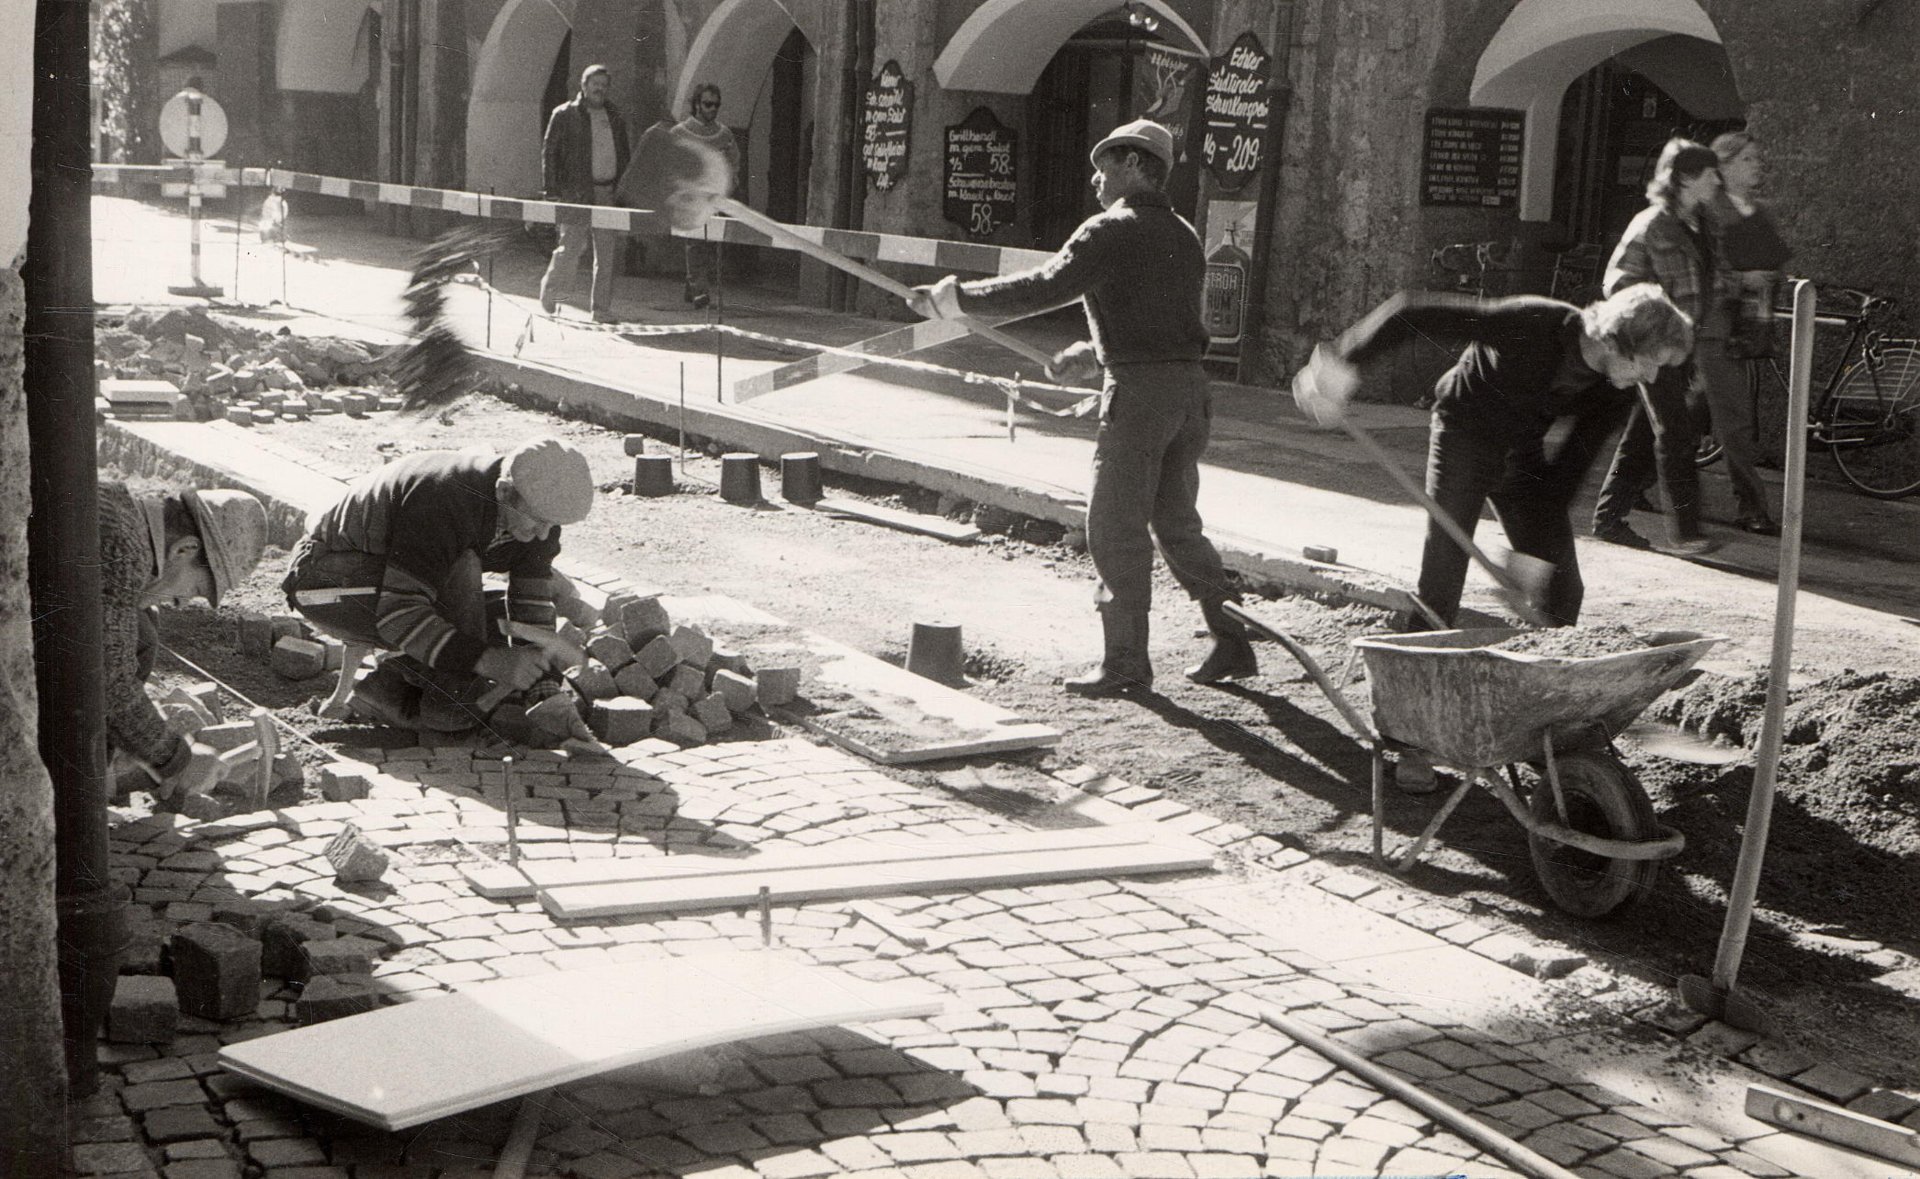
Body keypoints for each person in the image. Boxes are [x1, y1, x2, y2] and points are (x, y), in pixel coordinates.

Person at [906, 118, 1252, 697]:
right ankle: (1233, 639)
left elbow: (1046, 286)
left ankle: (1126, 662)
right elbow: (1161, 321)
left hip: (1140, 399)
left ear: (1135, 165)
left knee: (1114, 527)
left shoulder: (1109, 230)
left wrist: (956, 299)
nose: (1095, 178)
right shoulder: (1185, 234)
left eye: (1105, 164)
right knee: (1177, 524)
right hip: (1189, 392)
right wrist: (1093, 356)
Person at [1299, 283, 1694, 629]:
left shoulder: (1615, 389)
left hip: (1520, 449)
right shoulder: (1533, 321)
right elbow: (1412, 312)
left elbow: (1571, 467)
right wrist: (1340, 365)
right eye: (1649, 362)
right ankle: (1417, 660)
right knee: (1445, 570)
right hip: (1464, 431)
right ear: (1612, 341)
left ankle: (1543, 679)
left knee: (1562, 588)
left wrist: (1532, 557)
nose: (1652, 377)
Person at [283, 438, 600, 736]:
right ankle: (440, 709)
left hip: (391, 576)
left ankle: (387, 687)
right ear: (504, 491)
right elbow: (399, 615)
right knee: (463, 574)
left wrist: (542, 686)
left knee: (494, 615)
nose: (544, 535)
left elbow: (530, 605)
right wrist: (490, 661)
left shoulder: (536, 512)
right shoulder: (445, 499)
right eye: (538, 522)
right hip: (324, 582)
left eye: (552, 525)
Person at [1589, 138, 1733, 553]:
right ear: (1685, 179)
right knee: (1676, 433)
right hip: (1655, 345)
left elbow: (1712, 279)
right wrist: (1652, 324)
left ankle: (1609, 518)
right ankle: (1686, 533)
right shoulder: (1651, 224)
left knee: (1644, 434)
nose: (1717, 180)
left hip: (1684, 346)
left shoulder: (1705, 224)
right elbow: (1619, 283)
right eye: (1710, 173)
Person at [98, 482, 270, 800]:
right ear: (184, 549)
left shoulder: (126, 520)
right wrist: (178, 761)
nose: (181, 602)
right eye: (196, 589)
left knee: (143, 630)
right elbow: (108, 683)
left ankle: (95, 778)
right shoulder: (122, 547)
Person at [1705, 130, 1792, 534]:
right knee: (1736, 418)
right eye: (1747, 159)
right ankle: (1751, 507)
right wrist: (1745, 278)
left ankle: (1627, 486)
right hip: (1712, 326)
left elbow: (1777, 262)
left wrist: (1770, 276)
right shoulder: (1710, 210)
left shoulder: (1760, 212)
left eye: (1757, 159)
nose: (1757, 166)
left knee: (1685, 414)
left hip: (1746, 326)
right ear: (1723, 167)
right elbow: (1704, 271)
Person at [539, 64, 632, 324]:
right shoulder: (564, 114)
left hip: (607, 193)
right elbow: (550, 153)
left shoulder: (614, 116)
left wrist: (624, 192)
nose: (599, 89)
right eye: (595, 84)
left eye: (604, 85)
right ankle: (551, 290)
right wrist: (551, 190)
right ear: (584, 85)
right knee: (570, 248)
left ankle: (601, 310)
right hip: (577, 193)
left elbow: (624, 155)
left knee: (606, 254)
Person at [672, 83, 740, 310]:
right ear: (697, 104)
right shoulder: (681, 132)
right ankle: (700, 289)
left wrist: (728, 184)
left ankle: (691, 286)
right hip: (691, 197)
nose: (712, 109)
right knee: (695, 241)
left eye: (716, 105)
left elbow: (734, 162)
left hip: (715, 197)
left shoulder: (724, 134)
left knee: (709, 242)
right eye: (708, 104)